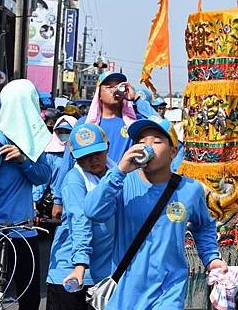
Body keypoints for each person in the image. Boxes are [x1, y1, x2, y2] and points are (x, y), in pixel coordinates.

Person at [84, 115, 226, 309]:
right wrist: (119, 170)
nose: (147, 146)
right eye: (142, 142)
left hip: (169, 292)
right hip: (125, 294)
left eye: (157, 141)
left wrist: (212, 258)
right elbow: (92, 211)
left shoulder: (191, 190)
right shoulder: (122, 183)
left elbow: (204, 226)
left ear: (173, 152)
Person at [51, 71, 157, 219]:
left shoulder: (134, 124)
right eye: (108, 86)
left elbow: (161, 128)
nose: (115, 90)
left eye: (118, 86)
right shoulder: (85, 124)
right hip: (89, 192)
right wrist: (58, 199)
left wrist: (137, 99)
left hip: (124, 193)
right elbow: (69, 160)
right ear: (98, 93)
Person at [0, 79, 52, 310]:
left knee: (30, 298)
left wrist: (23, 160)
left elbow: (43, 175)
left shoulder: (34, 141)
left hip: (25, 231)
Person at [46, 123, 114, 310]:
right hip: (70, 271)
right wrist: (80, 265)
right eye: (85, 157)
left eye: (97, 153)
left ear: (107, 146)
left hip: (104, 273)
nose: (93, 160)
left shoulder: (117, 175)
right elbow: (80, 221)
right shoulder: (75, 179)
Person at [33, 115, 77, 219]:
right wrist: (34, 200)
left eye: (67, 132)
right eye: (60, 131)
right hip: (54, 203)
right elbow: (43, 179)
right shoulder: (49, 152)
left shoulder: (79, 153)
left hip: (75, 199)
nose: (63, 135)